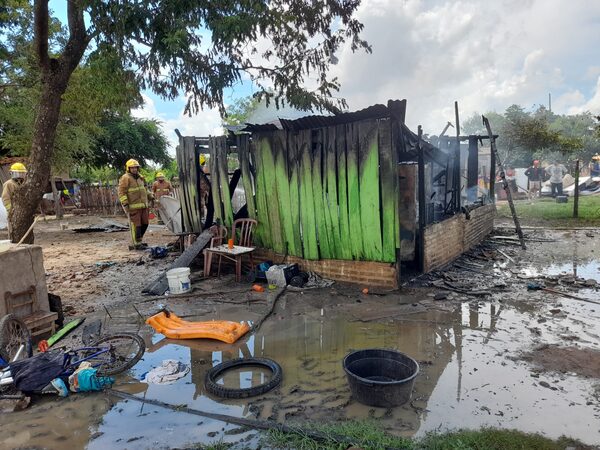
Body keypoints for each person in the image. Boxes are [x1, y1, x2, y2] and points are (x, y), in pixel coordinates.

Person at [118, 159, 152, 250]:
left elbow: (145, 189)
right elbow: (121, 192)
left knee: (145, 223)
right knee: (136, 226)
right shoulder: (125, 178)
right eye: (132, 168)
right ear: (128, 168)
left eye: (135, 167)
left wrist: (150, 196)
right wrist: (125, 204)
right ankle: (136, 244)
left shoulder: (141, 177)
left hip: (144, 206)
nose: (134, 169)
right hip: (133, 207)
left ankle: (139, 241)